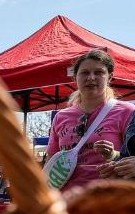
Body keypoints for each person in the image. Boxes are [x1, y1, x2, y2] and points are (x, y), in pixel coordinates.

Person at [48, 50, 135, 191]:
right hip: (67, 202)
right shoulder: (60, 117)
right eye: (84, 73)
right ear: (75, 77)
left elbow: (130, 158)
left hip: (109, 200)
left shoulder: (127, 112)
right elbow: (52, 161)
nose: (91, 78)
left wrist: (112, 155)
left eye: (99, 72)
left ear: (110, 77)